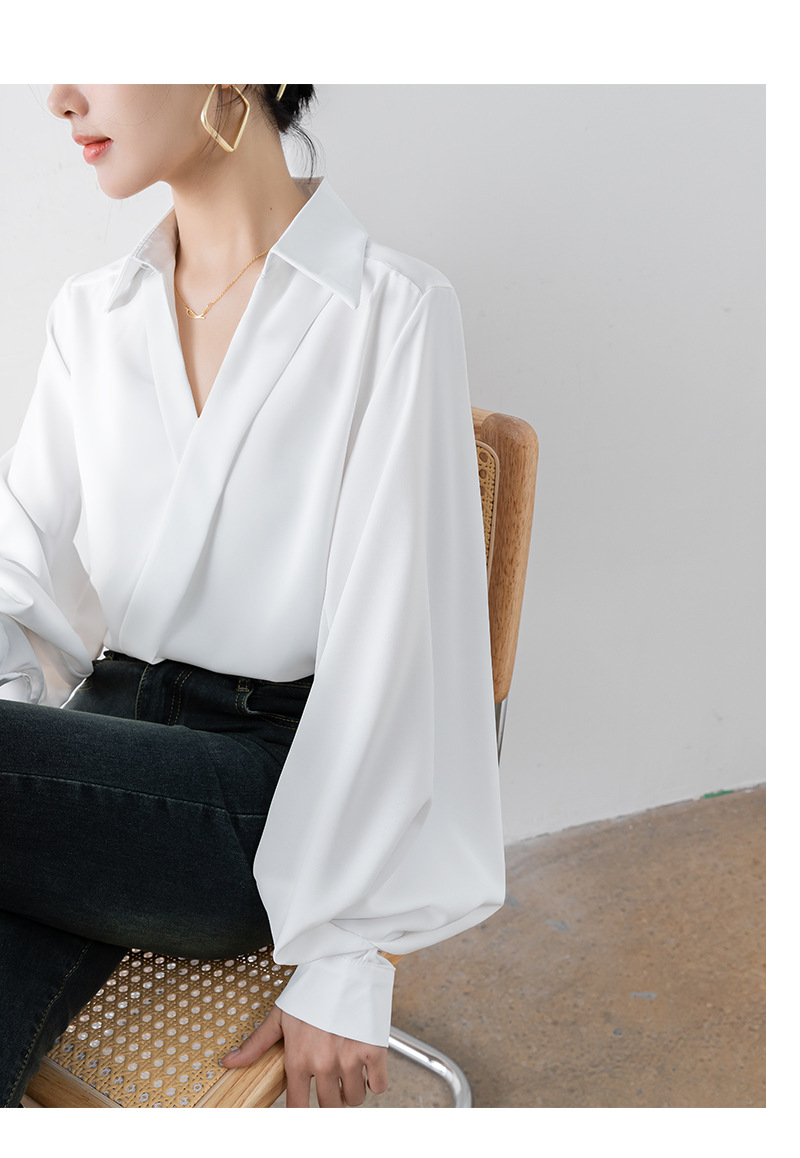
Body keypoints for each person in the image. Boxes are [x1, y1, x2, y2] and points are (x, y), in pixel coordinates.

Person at [0, 84, 505, 1109]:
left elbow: (398, 648)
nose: (60, 97)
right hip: (94, 758)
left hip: (264, 798)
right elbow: (13, 567)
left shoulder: (389, 310)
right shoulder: (93, 313)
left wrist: (347, 952)